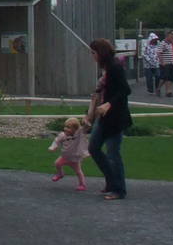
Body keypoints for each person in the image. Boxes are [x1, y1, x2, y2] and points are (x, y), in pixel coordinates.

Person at [87, 38, 133, 200]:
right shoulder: (106, 68)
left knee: (113, 153)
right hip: (104, 116)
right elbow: (101, 90)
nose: (91, 55)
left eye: (93, 52)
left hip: (115, 117)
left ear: (101, 52)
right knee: (94, 147)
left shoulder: (115, 67)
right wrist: (91, 113)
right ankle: (111, 181)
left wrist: (109, 104)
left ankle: (119, 189)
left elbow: (125, 90)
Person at [48, 117, 89, 191]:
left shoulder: (79, 134)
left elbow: (85, 128)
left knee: (78, 172)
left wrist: (85, 122)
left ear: (75, 129)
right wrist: (53, 147)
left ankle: (82, 184)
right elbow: (56, 141)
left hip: (75, 159)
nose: (65, 129)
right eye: (65, 127)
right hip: (65, 157)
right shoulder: (62, 135)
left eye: (68, 127)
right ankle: (60, 174)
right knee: (57, 163)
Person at [156, 32, 173, 98]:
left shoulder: (170, 44)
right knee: (164, 77)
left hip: (171, 63)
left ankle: (168, 92)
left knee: (170, 78)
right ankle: (158, 88)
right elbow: (159, 53)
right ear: (167, 36)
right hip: (165, 63)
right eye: (171, 35)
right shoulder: (162, 43)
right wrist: (162, 62)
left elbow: (171, 54)